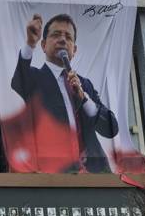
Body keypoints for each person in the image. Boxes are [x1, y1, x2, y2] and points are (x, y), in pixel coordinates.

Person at [11, 12, 119, 173]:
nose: (62, 40)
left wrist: (84, 98)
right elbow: (18, 80)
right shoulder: (34, 78)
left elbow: (111, 129)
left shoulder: (84, 84)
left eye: (68, 37)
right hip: (54, 172)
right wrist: (30, 44)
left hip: (94, 172)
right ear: (43, 45)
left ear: (74, 50)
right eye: (56, 35)